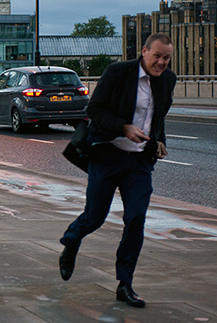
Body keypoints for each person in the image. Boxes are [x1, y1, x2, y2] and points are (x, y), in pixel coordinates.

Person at [58, 33, 176, 308]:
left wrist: (159, 141)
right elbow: (95, 110)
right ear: (144, 51)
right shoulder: (118, 73)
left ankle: (125, 284)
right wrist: (124, 127)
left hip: (138, 163)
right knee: (95, 217)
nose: (161, 62)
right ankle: (71, 242)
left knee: (136, 220)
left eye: (166, 58)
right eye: (157, 56)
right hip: (108, 154)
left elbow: (157, 118)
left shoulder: (168, 80)